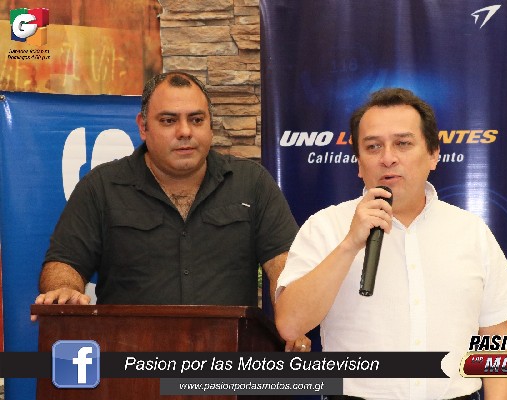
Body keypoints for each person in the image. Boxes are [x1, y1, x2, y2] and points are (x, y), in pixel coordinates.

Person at [275, 88, 507, 398]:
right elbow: (290, 325)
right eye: (373, 147)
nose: (388, 158)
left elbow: (500, 338)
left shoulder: (471, 231)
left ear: (433, 154)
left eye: (403, 143)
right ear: (358, 163)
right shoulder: (325, 227)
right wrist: (350, 244)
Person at [33, 71, 310, 352]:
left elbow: (284, 266)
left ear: (210, 126)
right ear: (143, 127)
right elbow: (64, 263)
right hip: (129, 364)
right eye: (168, 120)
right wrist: (65, 290)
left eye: (196, 120)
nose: (185, 131)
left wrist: (292, 320)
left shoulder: (251, 183)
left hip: (228, 364)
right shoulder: (101, 187)